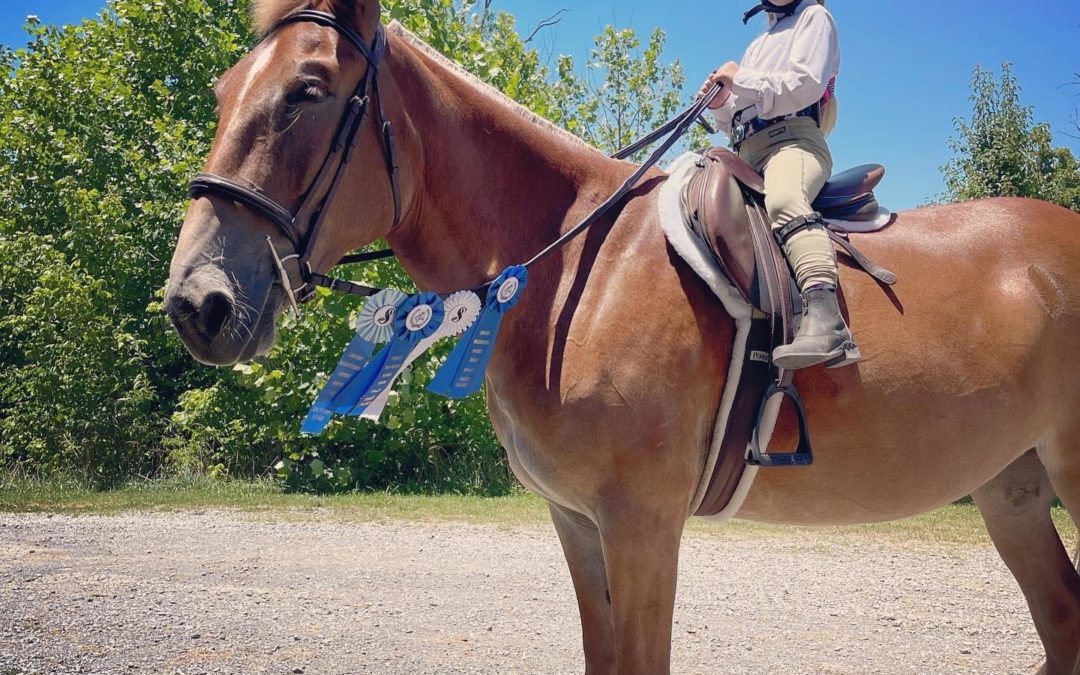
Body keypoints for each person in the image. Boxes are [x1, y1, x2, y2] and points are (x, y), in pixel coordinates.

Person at [699, 0, 859, 370]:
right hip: (744, 151)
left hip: (794, 143)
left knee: (785, 199)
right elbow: (736, 115)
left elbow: (803, 86)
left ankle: (826, 319)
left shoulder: (815, 19)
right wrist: (722, 103)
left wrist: (741, 77)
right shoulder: (758, 45)